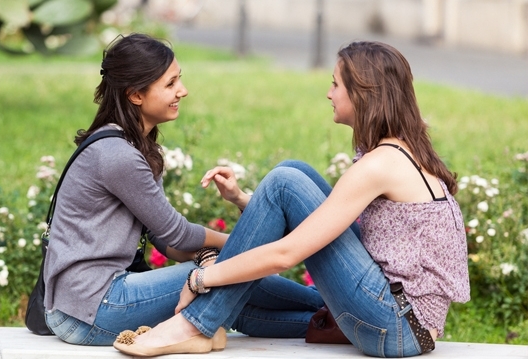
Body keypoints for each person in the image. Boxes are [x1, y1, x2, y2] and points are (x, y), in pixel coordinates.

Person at [113, 41, 470, 357]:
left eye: (335, 84)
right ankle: (215, 321)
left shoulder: (381, 164)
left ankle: (194, 326)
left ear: (362, 93)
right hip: (403, 320)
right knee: (293, 170)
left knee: (285, 181)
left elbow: (289, 252)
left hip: (394, 327)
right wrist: (242, 199)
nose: (329, 93)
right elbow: (319, 224)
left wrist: (200, 279)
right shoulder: (399, 150)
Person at [42, 33, 326, 346]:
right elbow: (178, 235)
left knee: (227, 293)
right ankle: (329, 308)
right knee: (215, 277)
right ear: (135, 94)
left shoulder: (137, 147)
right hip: (92, 309)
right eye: (171, 83)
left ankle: (327, 323)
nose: (183, 91)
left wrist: (221, 256)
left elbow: (165, 242)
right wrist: (243, 246)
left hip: (96, 303)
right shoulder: (117, 155)